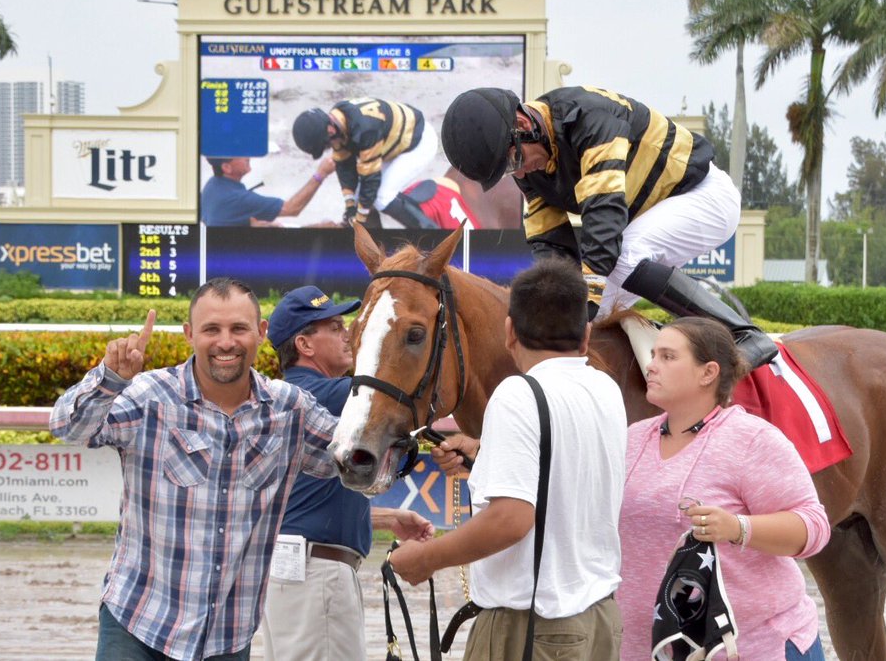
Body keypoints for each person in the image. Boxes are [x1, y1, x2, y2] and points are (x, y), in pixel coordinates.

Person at [49, 278, 340, 661]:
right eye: (211, 330)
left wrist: (428, 447)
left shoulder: (290, 409)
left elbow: (357, 460)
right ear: (190, 334)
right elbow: (69, 428)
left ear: (260, 332)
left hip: (226, 639)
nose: (225, 342)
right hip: (137, 627)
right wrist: (111, 378)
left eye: (238, 328)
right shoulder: (149, 396)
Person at [440, 86, 778, 370]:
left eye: (515, 161)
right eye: (510, 171)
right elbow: (550, 246)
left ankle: (746, 335)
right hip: (646, 217)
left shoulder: (590, 120)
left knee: (620, 261)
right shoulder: (531, 165)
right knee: (586, 320)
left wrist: (577, 313)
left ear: (523, 123)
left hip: (703, 196)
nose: (522, 174)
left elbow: (603, 231)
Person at [389, 258, 627, 661]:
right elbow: (562, 475)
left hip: (531, 627)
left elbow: (511, 519)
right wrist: (484, 458)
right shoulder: (603, 387)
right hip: (597, 617)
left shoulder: (518, 394)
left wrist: (426, 559)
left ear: (510, 331)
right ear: (586, 336)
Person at [618, 317, 830, 661]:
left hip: (757, 649)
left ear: (708, 373)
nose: (651, 365)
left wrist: (738, 528)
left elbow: (814, 527)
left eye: (668, 357)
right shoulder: (631, 439)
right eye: (653, 355)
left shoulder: (753, 440)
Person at [259, 285, 435, 661]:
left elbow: (305, 502)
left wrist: (388, 518)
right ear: (305, 344)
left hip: (294, 573)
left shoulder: (293, 394)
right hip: (317, 575)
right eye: (336, 327)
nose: (348, 334)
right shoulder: (343, 395)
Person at [292, 97, 439, 229]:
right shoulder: (336, 120)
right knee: (359, 200)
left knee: (382, 197)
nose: (328, 148)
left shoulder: (365, 130)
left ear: (330, 130)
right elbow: (344, 166)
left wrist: (358, 219)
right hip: (390, 142)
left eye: (326, 145)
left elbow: (371, 180)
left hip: (418, 143)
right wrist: (350, 207)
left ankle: (430, 232)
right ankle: (375, 240)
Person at [200, 155, 336, 226]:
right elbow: (292, 209)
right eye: (240, 155)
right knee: (328, 228)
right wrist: (321, 173)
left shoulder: (211, 186)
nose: (247, 156)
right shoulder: (238, 199)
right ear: (227, 168)